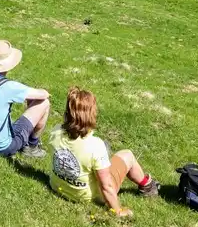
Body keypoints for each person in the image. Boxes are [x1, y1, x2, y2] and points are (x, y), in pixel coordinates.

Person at [49, 87, 159, 217]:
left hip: (57, 187)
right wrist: (118, 211)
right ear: (91, 114)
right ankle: (148, 186)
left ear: (67, 112)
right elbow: (106, 186)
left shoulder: (56, 131)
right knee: (127, 155)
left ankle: (103, 160)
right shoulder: (95, 145)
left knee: (101, 153)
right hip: (89, 197)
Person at [0, 40, 50, 159]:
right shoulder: (10, 87)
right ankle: (32, 146)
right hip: (1, 146)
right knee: (44, 103)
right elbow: (43, 95)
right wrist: (44, 91)